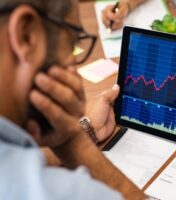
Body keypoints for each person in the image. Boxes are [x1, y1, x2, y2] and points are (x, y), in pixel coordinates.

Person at [0, 0, 145, 199]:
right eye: (72, 43)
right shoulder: (52, 191)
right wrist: (74, 142)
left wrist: (85, 129)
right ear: (26, 35)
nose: (72, 67)